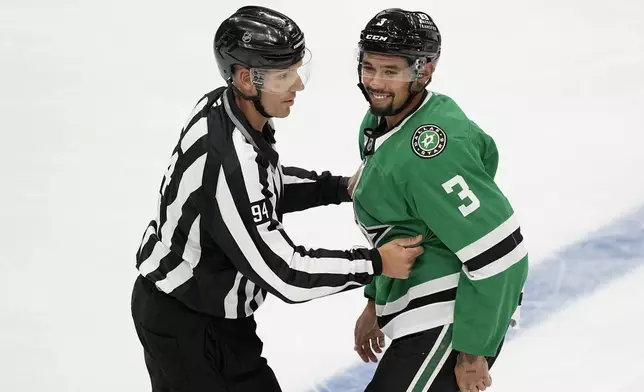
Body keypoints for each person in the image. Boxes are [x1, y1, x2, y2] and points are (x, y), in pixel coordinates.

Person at [130, 6, 424, 392]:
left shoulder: (225, 108)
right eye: (284, 76)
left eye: (297, 71)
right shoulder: (228, 163)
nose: (297, 86)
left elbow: (262, 184)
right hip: (190, 324)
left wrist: (338, 188)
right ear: (245, 79)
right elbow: (284, 271)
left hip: (205, 314)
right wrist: (374, 262)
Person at [349, 8, 529, 392]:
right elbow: (401, 224)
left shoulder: (433, 151)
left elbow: (501, 254)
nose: (375, 83)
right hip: (421, 307)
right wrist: (375, 302)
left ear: (423, 71)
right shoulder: (378, 123)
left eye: (390, 71)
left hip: (452, 315)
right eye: (369, 68)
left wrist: (472, 352)